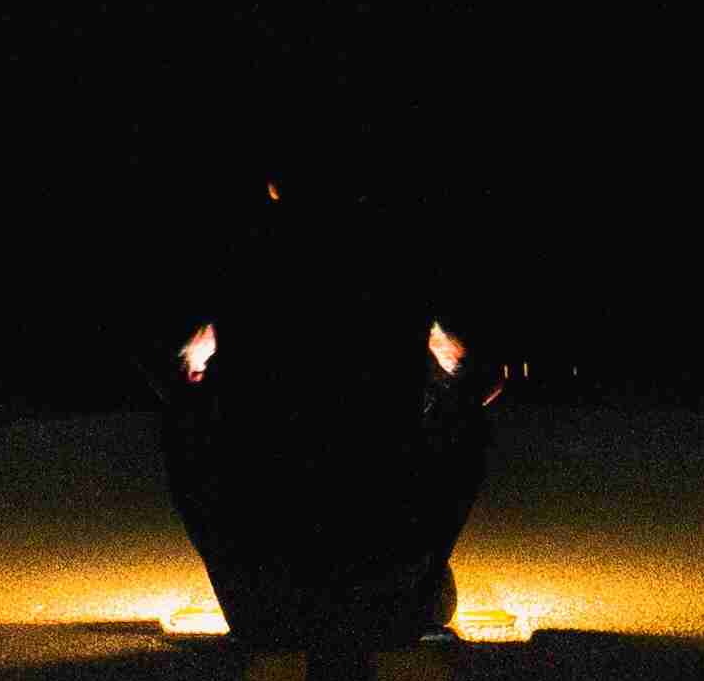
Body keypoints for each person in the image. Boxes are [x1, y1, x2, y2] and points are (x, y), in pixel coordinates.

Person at [158, 169, 501, 649]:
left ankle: (254, 583)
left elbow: (177, 372)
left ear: (274, 185)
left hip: (263, 559)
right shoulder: (398, 255)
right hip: (381, 529)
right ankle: (404, 579)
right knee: (468, 417)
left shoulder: (239, 258)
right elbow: (481, 377)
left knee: (182, 416)